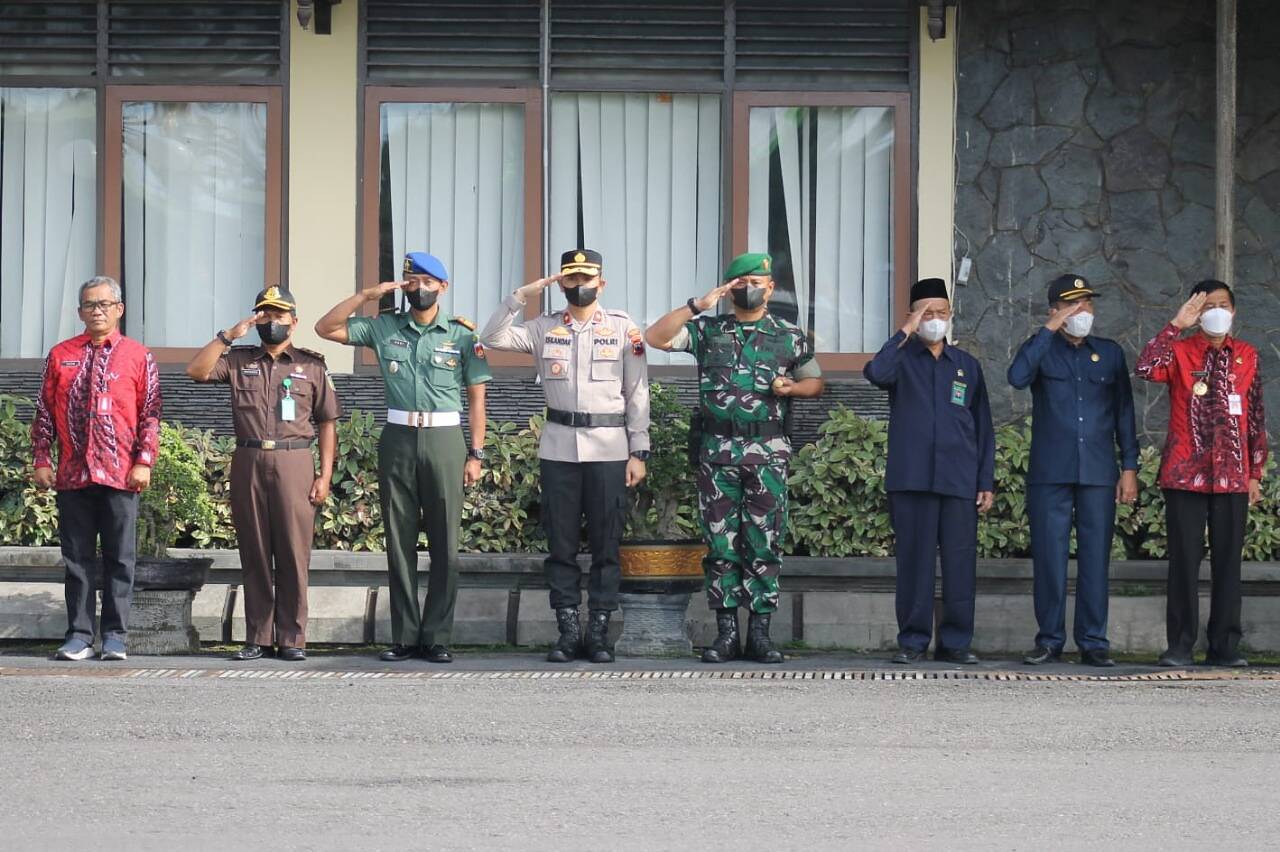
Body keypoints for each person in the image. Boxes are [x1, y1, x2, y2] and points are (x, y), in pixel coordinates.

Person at [646, 252, 824, 664]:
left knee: (764, 543)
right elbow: (655, 338)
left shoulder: (788, 335)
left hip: (767, 457)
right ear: (728, 289)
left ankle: (759, 635)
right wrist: (697, 306)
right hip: (717, 456)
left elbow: (815, 381)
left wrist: (792, 390)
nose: (749, 288)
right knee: (721, 545)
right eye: (740, 282)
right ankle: (726, 634)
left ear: (770, 288)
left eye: (756, 281)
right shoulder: (708, 331)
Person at [315, 252, 491, 663]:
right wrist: (366, 294)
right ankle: (406, 636)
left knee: (446, 541)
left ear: (442, 287)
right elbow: (326, 328)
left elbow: (478, 399)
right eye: (411, 281)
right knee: (399, 539)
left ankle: (438, 636)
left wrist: (476, 453)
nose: (418, 288)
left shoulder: (463, 336)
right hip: (398, 436)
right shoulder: (386, 327)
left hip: (446, 437)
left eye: (427, 282)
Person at [480, 249, 650, 663]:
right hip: (558, 447)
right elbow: (492, 337)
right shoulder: (544, 328)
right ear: (561, 283)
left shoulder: (624, 329)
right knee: (561, 544)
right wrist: (522, 295)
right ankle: (568, 630)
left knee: (607, 544)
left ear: (601, 283)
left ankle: (599, 631)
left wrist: (638, 450)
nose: (579, 285)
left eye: (587, 278)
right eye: (570, 279)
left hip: (610, 447)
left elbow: (637, 392)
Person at [186, 286, 341, 662]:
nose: (272, 323)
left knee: (292, 552)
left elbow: (327, 423)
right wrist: (228, 335)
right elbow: (197, 370)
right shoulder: (239, 360)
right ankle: (257, 636)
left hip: (295, 462)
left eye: (279, 316)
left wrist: (325, 475)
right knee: (254, 552)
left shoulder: (312, 365)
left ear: (294, 321)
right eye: (265, 316)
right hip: (249, 460)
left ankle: (292, 638)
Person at [1007, 275, 1139, 668]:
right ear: (1056, 310)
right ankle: (1049, 640)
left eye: (1088, 305)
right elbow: (1016, 377)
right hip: (1051, 471)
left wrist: (1129, 466)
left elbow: (1125, 414)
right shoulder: (1042, 350)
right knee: (1050, 558)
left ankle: (1093, 641)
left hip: (1098, 472)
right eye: (1073, 305)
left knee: (1096, 559)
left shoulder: (1110, 354)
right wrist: (1048, 329)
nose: (1083, 312)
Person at [1135, 279, 1268, 667]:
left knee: (1229, 563)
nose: (1216, 310)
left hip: (1233, 477)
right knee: (1184, 562)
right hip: (1184, 476)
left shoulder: (1247, 355)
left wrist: (1255, 472)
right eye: (1207, 304)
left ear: (1234, 310)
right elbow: (1145, 367)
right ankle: (1179, 646)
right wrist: (1177, 323)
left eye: (1223, 304)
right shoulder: (1178, 352)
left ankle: (1224, 646)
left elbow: (1256, 416)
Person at [864, 277, 995, 665]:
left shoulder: (966, 366)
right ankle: (913, 642)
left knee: (959, 564)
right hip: (912, 478)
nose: (934, 320)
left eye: (940, 312)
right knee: (915, 564)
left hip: (958, 479)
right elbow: (875, 372)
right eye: (926, 313)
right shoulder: (901, 360)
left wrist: (984, 480)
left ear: (951, 315)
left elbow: (983, 426)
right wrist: (904, 331)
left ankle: (956, 643)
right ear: (914, 317)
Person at [31, 275, 162, 662]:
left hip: (121, 473)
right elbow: (44, 412)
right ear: (80, 312)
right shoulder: (61, 354)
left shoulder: (138, 356)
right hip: (73, 474)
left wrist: (144, 460)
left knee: (121, 559)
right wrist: (41, 459)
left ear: (119, 309)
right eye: (90, 305)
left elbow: (150, 413)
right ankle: (80, 636)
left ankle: (116, 637)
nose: (97, 311)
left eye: (105, 304)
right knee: (77, 560)